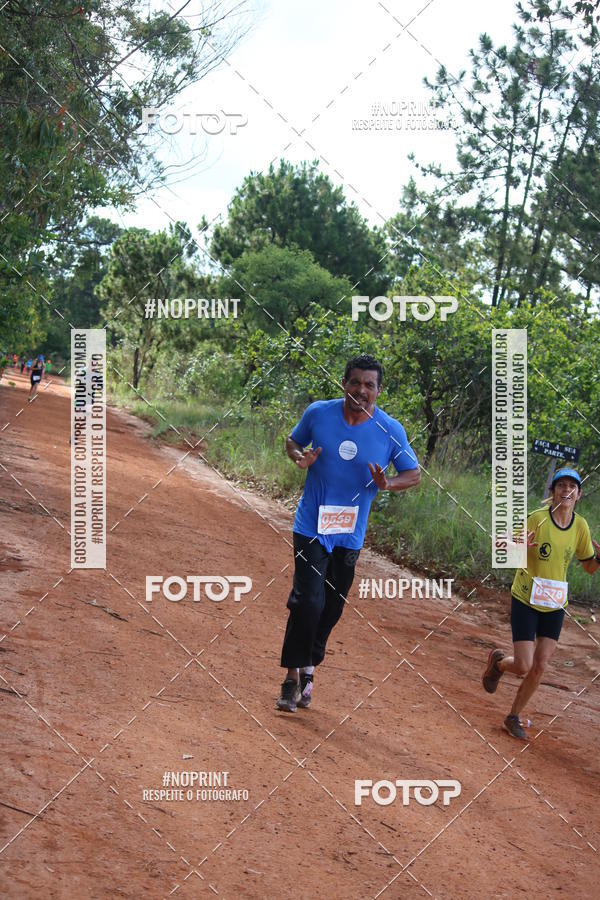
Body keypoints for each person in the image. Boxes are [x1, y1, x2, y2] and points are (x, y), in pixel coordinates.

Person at [276, 354, 421, 712]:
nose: (361, 390)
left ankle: (310, 663)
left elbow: (413, 474)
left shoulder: (390, 430)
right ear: (344, 383)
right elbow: (292, 442)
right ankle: (292, 679)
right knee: (307, 601)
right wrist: (299, 457)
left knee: (331, 607)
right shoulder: (319, 413)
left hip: (349, 535)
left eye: (369, 385)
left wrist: (388, 484)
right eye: (355, 382)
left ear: (378, 391)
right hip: (311, 525)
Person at [483, 468, 600, 740]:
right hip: (526, 598)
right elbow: (500, 544)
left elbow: (588, 567)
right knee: (523, 666)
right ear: (553, 491)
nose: (566, 490)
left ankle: (513, 717)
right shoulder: (537, 519)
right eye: (561, 485)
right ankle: (499, 664)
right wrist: (516, 545)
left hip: (555, 604)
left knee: (541, 664)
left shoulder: (580, 527)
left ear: (579, 494)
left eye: (572, 486)